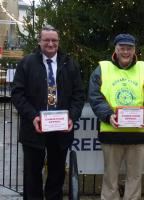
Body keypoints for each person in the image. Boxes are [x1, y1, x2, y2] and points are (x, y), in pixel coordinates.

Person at [11, 25, 85, 200]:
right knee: (32, 175)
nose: (50, 44)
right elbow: (17, 94)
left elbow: (79, 95)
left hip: (61, 130)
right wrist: (33, 116)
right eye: (46, 40)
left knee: (57, 175)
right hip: (33, 129)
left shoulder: (69, 63)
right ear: (40, 41)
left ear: (58, 42)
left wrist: (71, 117)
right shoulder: (27, 63)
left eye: (54, 40)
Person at [88, 33, 144, 200]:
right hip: (111, 132)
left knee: (135, 179)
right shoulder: (102, 68)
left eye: (129, 48)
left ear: (134, 50)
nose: (126, 52)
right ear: (116, 49)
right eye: (122, 48)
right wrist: (107, 115)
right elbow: (94, 96)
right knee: (109, 179)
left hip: (139, 133)